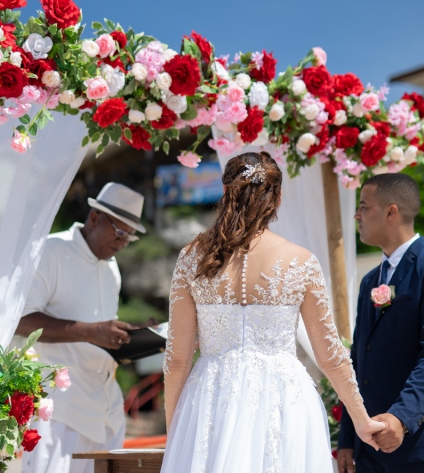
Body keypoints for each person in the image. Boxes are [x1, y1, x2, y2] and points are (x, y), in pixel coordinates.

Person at [161, 152, 385, 472]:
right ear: (277, 199)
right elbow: (330, 355)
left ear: (225, 193)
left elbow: (178, 358)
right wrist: (362, 421)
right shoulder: (301, 261)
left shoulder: (192, 258)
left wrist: (176, 431)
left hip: (211, 399)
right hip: (284, 401)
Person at [336, 173, 424, 473]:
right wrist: (347, 438)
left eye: (364, 206)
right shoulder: (371, 280)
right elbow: (358, 362)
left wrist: (401, 418)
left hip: (421, 448)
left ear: (391, 212)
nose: (357, 215)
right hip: (369, 450)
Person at [15, 182, 145, 473]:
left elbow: (99, 327)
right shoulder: (51, 251)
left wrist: (133, 335)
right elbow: (19, 321)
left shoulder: (111, 267)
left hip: (107, 408)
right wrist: (90, 331)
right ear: (95, 217)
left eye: (130, 237)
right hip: (60, 409)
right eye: (120, 232)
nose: (123, 242)